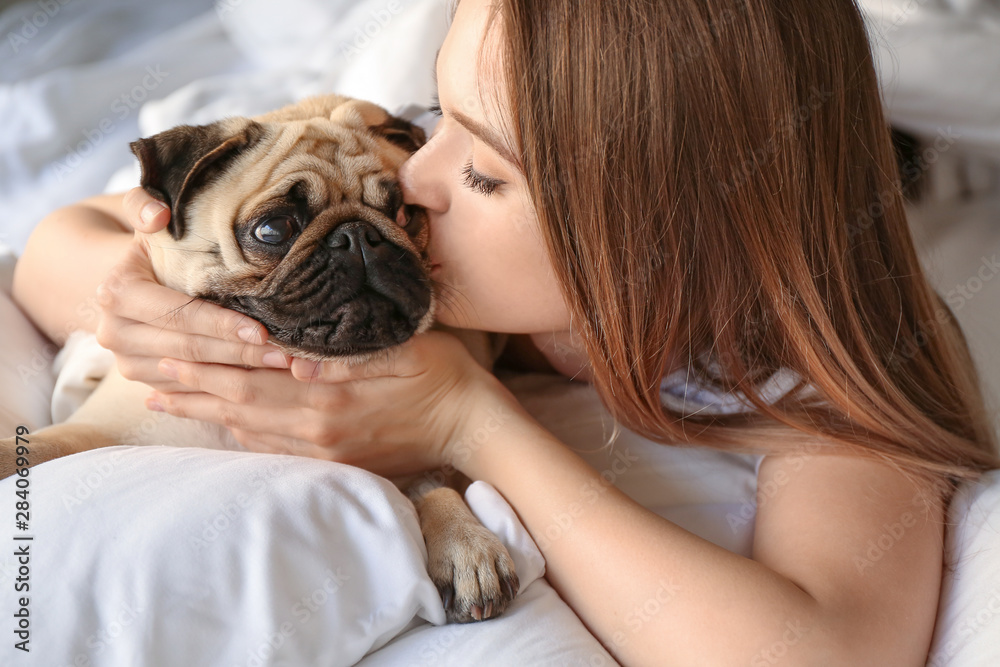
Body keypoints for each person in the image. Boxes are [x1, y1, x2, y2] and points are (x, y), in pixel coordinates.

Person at [11, 0, 1000, 663]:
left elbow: (809, 649)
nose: (417, 177)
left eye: (484, 174)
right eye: (436, 117)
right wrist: (136, 291)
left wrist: (468, 423)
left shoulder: (796, 360)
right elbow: (53, 247)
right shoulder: (384, 160)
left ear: (646, 237)